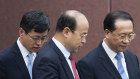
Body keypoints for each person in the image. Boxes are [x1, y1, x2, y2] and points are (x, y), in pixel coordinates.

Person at [77, 10, 140, 79]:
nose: (126, 41)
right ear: (107, 33)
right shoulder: (88, 64)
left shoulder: (132, 58)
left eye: (130, 35)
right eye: (122, 36)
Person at [33, 10, 89, 79]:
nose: (84, 41)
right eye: (82, 35)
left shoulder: (67, 56)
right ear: (66, 32)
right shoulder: (47, 59)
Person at [0, 11, 50, 79]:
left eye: (43, 38)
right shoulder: (4, 59)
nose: (39, 43)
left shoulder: (45, 57)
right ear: (21, 32)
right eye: (35, 38)